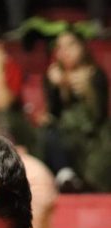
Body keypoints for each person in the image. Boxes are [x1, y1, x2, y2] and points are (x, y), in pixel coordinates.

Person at [40, 28, 111, 193]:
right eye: (60, 47)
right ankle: (66, 176)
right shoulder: (52, 76)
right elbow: (54, 112)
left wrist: (88, 90)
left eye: (70, 45)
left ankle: (93, 183)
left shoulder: (95, 74)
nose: (65, 52)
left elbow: (99, 115)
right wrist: (57, 87)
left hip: (92, 133)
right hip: (64, 133)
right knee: (47, 131)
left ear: (82, 47)